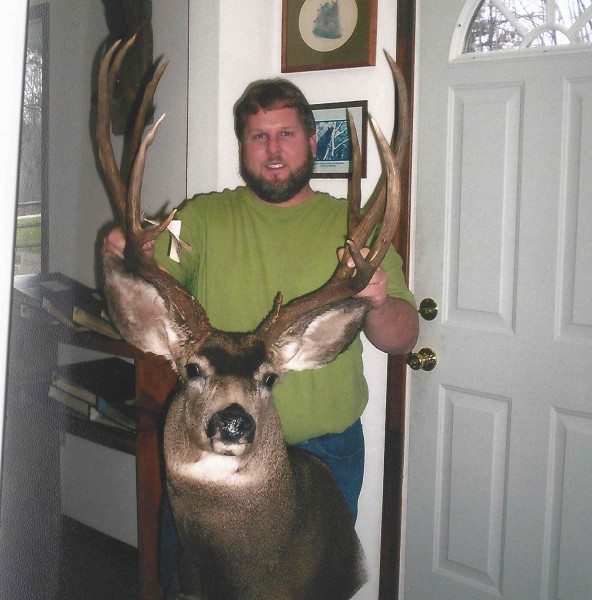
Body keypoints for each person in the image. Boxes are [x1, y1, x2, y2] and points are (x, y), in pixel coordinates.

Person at [102, 77, 419, 597]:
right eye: (258, 137)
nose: (273, 150)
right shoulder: (202, 218)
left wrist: (379, 299)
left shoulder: (355, 228)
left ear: (313, 141)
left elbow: (401, 339)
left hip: (322, 456)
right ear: (243, 146)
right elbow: (149, 281)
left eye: (287, 134)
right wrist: (124, 252)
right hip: (207, 459)